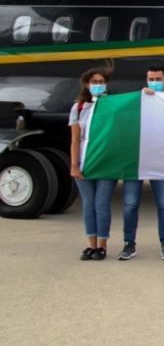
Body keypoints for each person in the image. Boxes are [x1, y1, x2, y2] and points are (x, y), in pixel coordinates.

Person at [119, 64, 164, 261]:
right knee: (130, 204)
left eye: (158, 79)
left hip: (160, 162)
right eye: (151, 79)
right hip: (137, 160)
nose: (154, 82)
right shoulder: (137, 100)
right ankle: (129, 244)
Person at [69, 67, 115, 261]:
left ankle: (103, 246)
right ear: (87, 84)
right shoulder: (79, 107)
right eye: (94, 82)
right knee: (89, 205)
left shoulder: (112, 105)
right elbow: (75, 139)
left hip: (105, 163)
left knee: (101, 204)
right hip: (85, 162)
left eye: (101, 82)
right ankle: (92, 245)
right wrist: (74, 165)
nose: (98, 85)